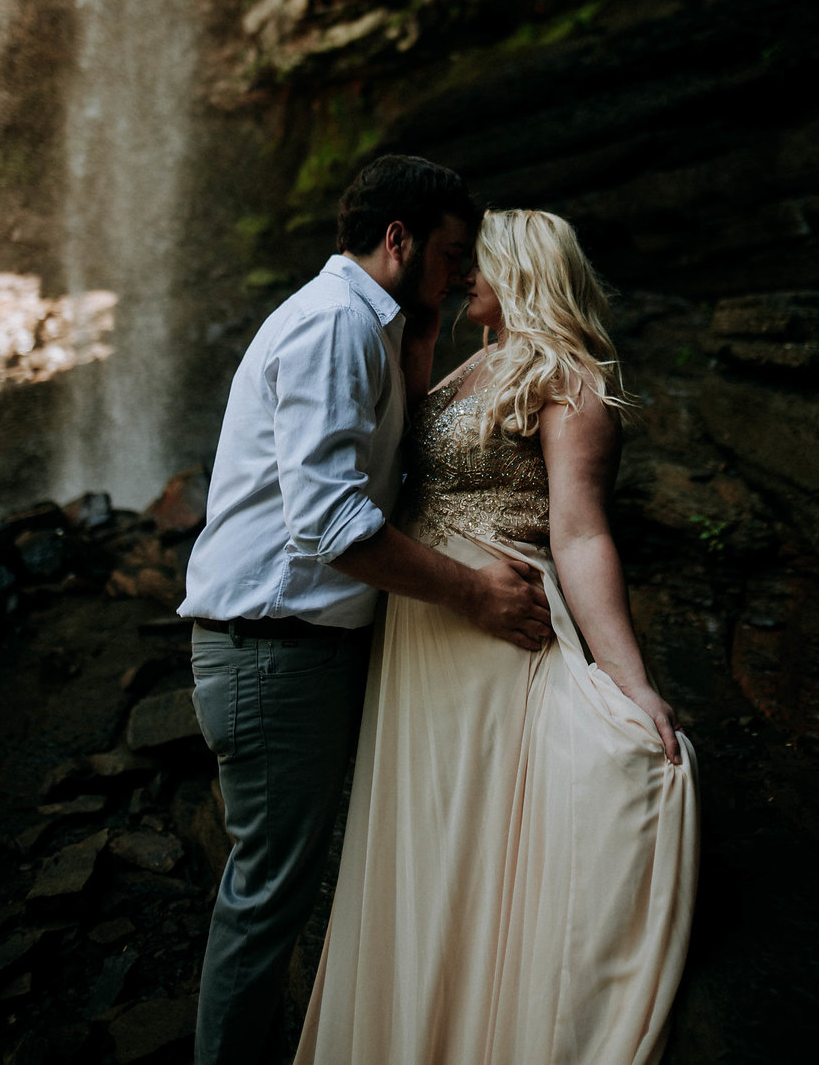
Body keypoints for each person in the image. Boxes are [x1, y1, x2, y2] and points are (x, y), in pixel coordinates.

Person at [294, 208, 700, 1065]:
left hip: (494, 633)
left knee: (487, 835)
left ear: (523, 267)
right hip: (422, 633)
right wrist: (426, 334)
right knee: (424, 846)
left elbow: (581, 532)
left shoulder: (570, 378)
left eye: (480, 261)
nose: (462, 271)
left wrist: (631, 679)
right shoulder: (468, 365)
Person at [179, 159, 553, 1065]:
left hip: (298, 649)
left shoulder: (369, 325)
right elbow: (332, 525)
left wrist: (419, 339)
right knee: (268, 895)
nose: (466, 277)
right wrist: (475, 592)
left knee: (282, 885)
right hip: (272, 651)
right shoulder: (333, 325)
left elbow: (385, 471)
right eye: (453, 255)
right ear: (399, 239)